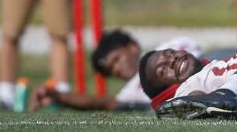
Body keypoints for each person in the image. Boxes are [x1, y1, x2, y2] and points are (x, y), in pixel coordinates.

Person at [30, 29, 201, 111]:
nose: (117, 69)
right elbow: (103, 102)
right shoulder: (130, 93)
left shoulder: (169, 48)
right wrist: (59, 96)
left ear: (132, 47)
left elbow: (197, 63)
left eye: (117, 60)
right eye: (112, 70)